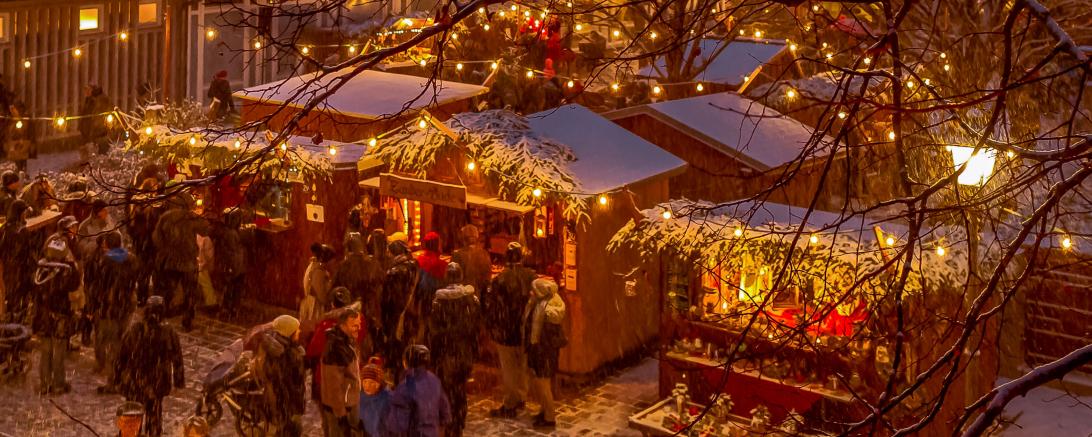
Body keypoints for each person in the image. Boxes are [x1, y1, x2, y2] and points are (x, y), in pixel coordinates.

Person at [117, 295, 185, 437]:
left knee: (133, 420)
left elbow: (121, 356)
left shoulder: (135, 330)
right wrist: (178, 381)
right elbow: (177, 358)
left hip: (136, 382)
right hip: (156, 384)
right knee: (154, 418)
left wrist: (118, 378)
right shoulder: (168, 333)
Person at [428, 263, 481, 437]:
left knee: (447, 390)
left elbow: (434, 333)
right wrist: (474, 351)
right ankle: (459, 421)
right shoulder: (471, 301)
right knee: (460, 389)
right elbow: (475, 330)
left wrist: (434, 356)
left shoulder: (438, 303)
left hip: (445, 354)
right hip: (464, 353)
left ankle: (450, 423)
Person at [485, 243, 536, 418]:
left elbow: (493, 307)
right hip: (524, 329)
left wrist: (493, 327)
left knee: (509, 369)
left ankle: (510, 402)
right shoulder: (531, 277)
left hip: (506, 330)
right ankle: (521, 396)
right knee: (522, 366)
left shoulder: (500, 280)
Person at [86, 231, 139, 393]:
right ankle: (121, 374)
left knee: (108, 341)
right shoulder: (131, 259)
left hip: (109, 307)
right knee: (120, 340)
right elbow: (134, 280)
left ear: (106, 244)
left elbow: (97, 287)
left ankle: (113, 379)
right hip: (126, 305)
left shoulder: (104, 261)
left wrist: (92, 307)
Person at [152, 193, 209, 331]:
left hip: (170, 261)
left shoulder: (165, 217)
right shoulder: (190, 217)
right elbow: (206, 228)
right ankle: (187, 320)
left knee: (167, 291)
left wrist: (166, 249)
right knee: (190, 292)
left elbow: (156, 238)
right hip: (187, 261)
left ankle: (159, 316)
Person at [32, 236, 82, 395]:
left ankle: (45, 383)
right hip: (60, 315)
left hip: (43, 315)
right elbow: (74, 285)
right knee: (58, 351)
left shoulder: (41, 269)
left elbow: (36, 290)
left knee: (45, 350)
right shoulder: (66, 270)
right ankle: (58, 384)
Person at [523, 278, 567, 428]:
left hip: (543, 353)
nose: (530, 293)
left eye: (533, 291)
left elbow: (546, 337)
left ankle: (549, 417)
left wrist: (538, 351)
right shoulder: (539, 304)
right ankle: (544, 411)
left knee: (543, 385)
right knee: (540, 384)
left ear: (540, 293)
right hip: (540, 351)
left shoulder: (546, 312)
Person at [386, 345, 451, 437]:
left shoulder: (405, 386)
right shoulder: (434, 381)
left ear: (406, 362)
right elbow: (445, 409)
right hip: (432, 433)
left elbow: (398, 421)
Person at [260, 315, 306, 437]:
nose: (299, 331)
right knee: (288, 430)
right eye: (297, 330)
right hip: (286, 404)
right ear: (288, 333)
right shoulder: (283, 355)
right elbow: (286, 383)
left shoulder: (285, 348)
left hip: (287, 402)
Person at [321, 307, 363, 437]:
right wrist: (341, 415)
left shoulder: (347, 341)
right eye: (354, 325)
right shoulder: (335, 347)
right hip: (340, 410)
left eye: (359, 324)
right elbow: (333, 385)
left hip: (349, 404)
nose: (358, 328)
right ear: (343, 325)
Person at [382, 240, 418, 377]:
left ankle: (399, 374)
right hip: (410, 312)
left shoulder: (393, 272)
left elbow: (389, 299)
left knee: (396, 344)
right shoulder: (414, 266)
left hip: (396, 315)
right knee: (407, 343)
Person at [334, 234, 384, 323]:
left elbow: (336, 288)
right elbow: (380, 283)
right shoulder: (372, 264)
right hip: (368, 309)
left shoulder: (344, 266)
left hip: (349, 308)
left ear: (348, 249)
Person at [0, 200, 35, 322]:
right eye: (24, 211)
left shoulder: (4, 227)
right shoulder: (21, 230)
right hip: (19, 269)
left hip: (8, 268)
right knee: (20, 296)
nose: (26, 214)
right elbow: (25, 251)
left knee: (11, 297)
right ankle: (17, 322)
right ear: (20, 213)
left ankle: (10, 321)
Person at [213, 209, 249, 318]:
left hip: (232, 265)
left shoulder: (225, 231)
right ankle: (230, 308)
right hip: (235, 265)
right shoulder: (232, 233)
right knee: (234, 288)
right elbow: (234, 250)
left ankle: (228, 309)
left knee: (230, 287)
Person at [450, 224, 491, 298]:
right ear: (476, 237)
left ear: (463, 239)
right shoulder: (484, 254)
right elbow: (487, 278)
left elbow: (452, 278)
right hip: (479, 295)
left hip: (462, 295)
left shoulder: (457, 255)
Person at [358, 356, 391, 437]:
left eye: (371, 382)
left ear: (378, 383)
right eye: (365, 382)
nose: (367, 386)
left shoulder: (388, 399)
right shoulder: (361, 396)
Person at [303, 242, 336, 319]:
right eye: (332, 260)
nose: (333, 262)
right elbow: (321, 295)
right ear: (327, 259)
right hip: (316, 308)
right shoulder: (318, 272)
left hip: (313, 304)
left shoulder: (315, 267)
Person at [79, 84, 112, 155]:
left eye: (88, 90)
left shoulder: (98, 100)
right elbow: (85, 115)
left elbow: (96, 115)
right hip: (89, 131)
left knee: (101, 148)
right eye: (85, 90)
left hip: (98, 130)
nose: (86, 92)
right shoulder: (88, 101)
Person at [5, 102, 33, 173]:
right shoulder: (10, 118)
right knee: (17, 159)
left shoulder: (25, 117)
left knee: (22, 159)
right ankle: (19, 170)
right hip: (14, 141)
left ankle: (23, 171)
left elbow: (28, 129)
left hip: (23, 141)